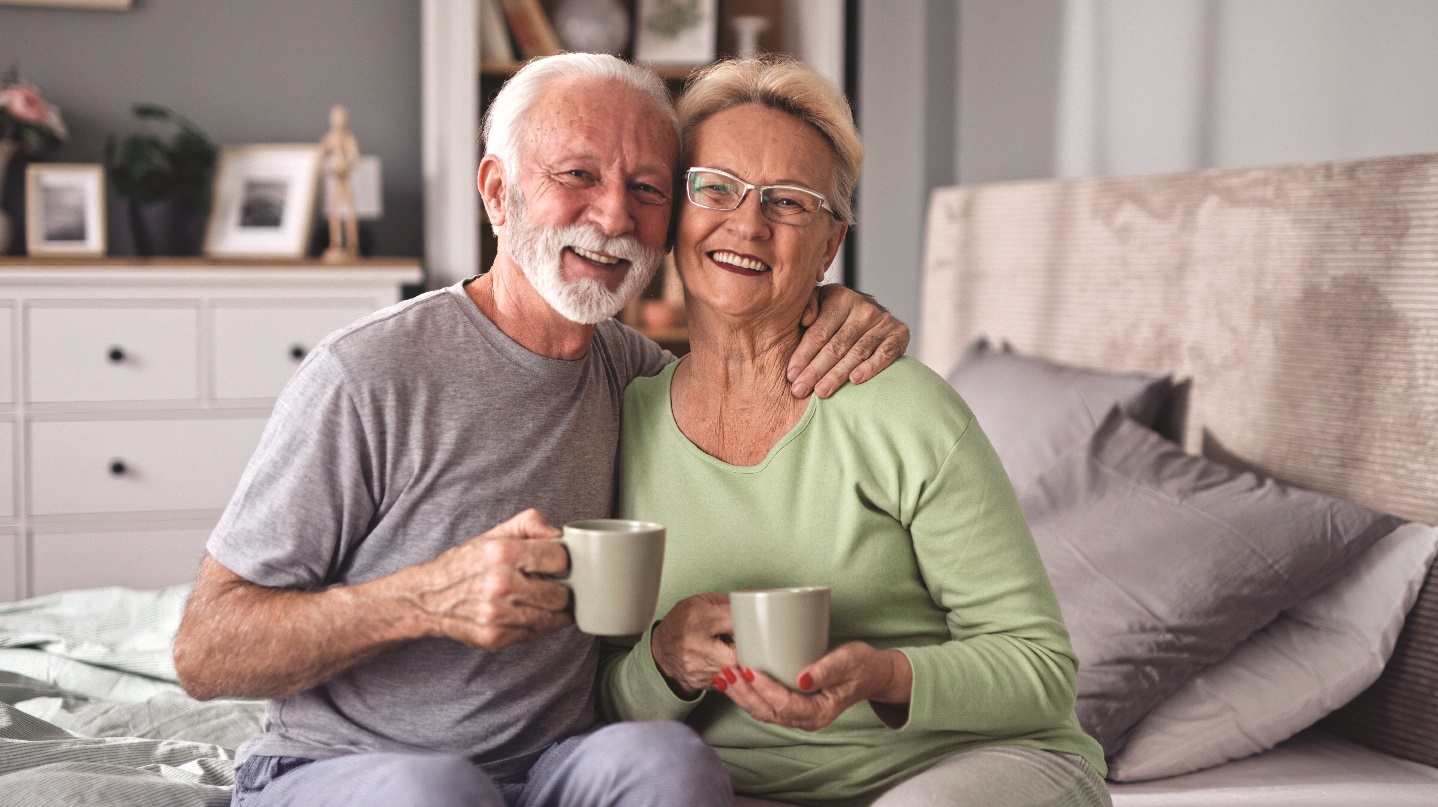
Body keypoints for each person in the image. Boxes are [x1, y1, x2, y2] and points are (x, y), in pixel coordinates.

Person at [171, 53, 909, 807]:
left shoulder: (638, 377)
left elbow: (753, 360)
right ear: (499, 192)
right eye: (578, 176)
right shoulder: (367, 373)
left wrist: (838, 305)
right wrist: (420, 599)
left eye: (647, 188)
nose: (615, 216)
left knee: (671, 761)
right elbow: (203, 650)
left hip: (552, 767)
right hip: (344, 767)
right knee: (436, 794)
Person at [599, 56, 1112, 807]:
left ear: (830, 243)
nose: (747, 222)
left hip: (961, 770)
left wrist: (885, 674)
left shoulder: (904, 410)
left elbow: (1040, 668)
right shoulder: (621, 419)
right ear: (676, 209)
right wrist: (663, 661)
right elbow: (601, 705)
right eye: (716, 187)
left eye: (790, 202)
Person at [319, 103, 361, 261]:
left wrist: (346, 164)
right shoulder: (329, 138)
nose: (338, 120)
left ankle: (352, 245)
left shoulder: (348, 137)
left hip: (345, 179)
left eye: (341, 117)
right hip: (334, 180)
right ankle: (335, 244)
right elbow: (320, 157)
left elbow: (354, 156)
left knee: (350, 213)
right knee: (334, 212)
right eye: (336, 117)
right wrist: (327, 169)